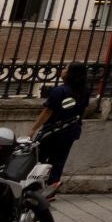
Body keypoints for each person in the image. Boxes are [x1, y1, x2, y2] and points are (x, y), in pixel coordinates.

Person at [28, 62, 90, 191]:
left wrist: (33, 129)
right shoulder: (84, 92)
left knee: (40, 159)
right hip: (71, 131)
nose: (62, 70)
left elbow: (48, 111)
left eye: (65, 69)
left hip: (53, 131)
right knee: (59, 161)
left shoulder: (60, 90)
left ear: (70, 73)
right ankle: (52, 187)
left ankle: (33, 187)